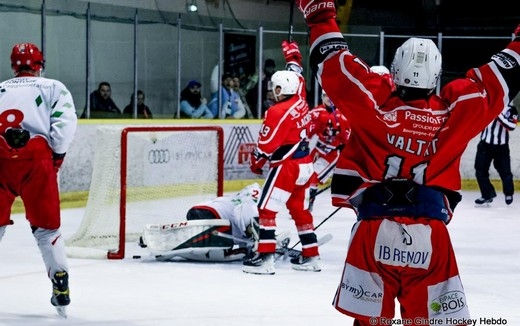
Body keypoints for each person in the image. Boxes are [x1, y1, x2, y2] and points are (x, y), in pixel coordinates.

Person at [295, 0, 520, 323]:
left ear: (396, 69)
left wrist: (320, 15)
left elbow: (335, 66)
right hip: (431, 232)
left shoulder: (374, 104)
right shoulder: (455, 112)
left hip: (373, 230)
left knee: (371, 321)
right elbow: (498, 81)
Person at [0, 43, 77, 317]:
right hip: (37, 157)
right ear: (40, 64)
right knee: (47, 230)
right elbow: (65, 123)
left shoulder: (0, 88)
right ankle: (59, 280)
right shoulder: (52, 87)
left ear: (13, 65)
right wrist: (56, 154)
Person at [243, 40, 320, 275]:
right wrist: (293, 57)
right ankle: (311, 256)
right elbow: (297, 77)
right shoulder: (301, 99)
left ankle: (265, 258)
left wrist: (256, 163)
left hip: (286, 167)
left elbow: (266, 146)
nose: (272, 91)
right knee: (300, 210)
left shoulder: (277, 112)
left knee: (266, 209)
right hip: (305, 165)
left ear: (280, 90)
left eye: (274, 88)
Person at [140, 183, 288, 262]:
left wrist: (257, 243)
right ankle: (167, 242)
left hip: (209, 217)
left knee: (228, 247)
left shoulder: (257, 203)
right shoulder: (256, 197)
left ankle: (168, 247)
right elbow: (247, 214)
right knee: (221, 242)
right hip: (209, 213)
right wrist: (260, 240)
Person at [308, 90, 350, 212]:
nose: (328, 99)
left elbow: (348, 138)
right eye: (326, 96)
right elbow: (307, 131)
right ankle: (304, 202)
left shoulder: (344, 115)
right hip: (316, 149)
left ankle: (309, 204)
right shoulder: (316, 113)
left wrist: (342, 137)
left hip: (331, 153)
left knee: (313, 178)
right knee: (305, 176)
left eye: (331, 96)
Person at [474, 104, 518, 206]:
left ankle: (508, 193)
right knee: (480, 170)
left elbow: (511, 126)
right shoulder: (488, 103)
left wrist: (497, 112)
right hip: (485, 144)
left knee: (505, 171)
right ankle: (487, 194)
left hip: (501, 146)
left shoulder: (511, 109)